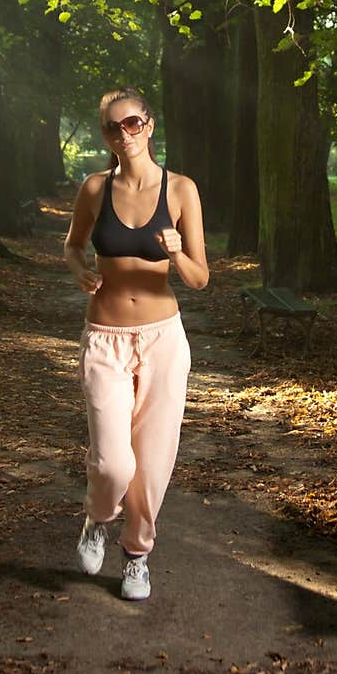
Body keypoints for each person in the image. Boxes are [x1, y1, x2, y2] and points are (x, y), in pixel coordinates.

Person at [63, 86, 209, 601]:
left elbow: (198, 279)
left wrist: (177, 249)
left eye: (131, 123)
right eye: (111, 127)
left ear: (149, 125)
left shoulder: (181, 190)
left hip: (163, 340)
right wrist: (81, 271)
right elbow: (74, 246)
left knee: (151, 465)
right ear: (105, 134)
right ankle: (97, 519)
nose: (122, 134)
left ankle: (137, 555)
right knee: (111, 463)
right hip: (104, 339)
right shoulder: (95, 188)